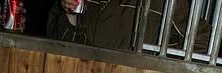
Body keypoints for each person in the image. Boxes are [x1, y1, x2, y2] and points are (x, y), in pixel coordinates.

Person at [47, 0, 210, 52]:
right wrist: (69, 12)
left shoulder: (167, 3)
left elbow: (203, 44)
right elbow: (56, 39)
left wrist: (160, 65)